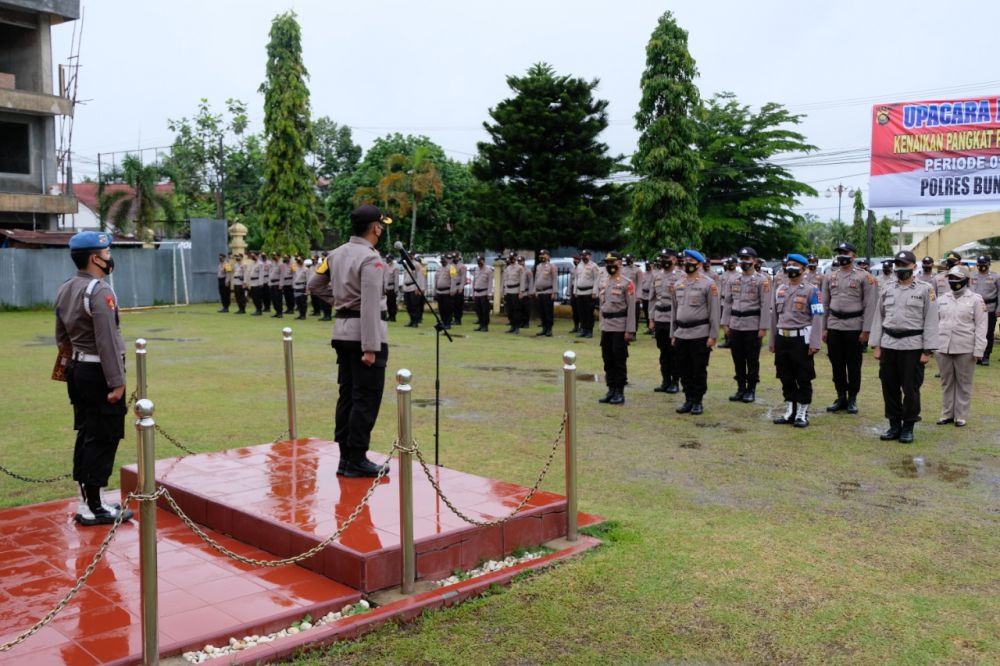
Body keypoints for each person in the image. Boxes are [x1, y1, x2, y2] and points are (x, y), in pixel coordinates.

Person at [55, 231, 134, 526]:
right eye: (107, 253)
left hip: (79, 370)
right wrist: (117, 381)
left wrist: (69, 369)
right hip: (99, 372)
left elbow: (62, 337)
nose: (110, 258)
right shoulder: (99, 290)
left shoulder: (67, 287)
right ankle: (95, 506)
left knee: (87, 433)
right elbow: (107, 341)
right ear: (95, 258)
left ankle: (88, 499)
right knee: (103, 436)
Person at [313, 204, 392, 477]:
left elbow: (314, 285)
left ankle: (346, 458)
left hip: (342, 332)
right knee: (365, 398)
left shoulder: (335, 254)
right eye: (381, 226)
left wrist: (341, 303)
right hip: (365, 337)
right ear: (376, 228)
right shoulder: (371, 259)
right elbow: (370, 305)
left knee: (347, 395)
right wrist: (370, 348)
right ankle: (356, 459)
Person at [870, 250, 939, 444]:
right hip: (889, 344)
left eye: (904, 265)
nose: (900, 268)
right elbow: (879, 317)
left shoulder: (925, 290)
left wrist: (927, 350)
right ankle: (894, 425)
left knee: (911, 389)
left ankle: (908, 426)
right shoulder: (887, 288)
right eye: (897, 265)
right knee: (889, 387)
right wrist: (877, 345)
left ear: (914, 267)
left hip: (913, 346)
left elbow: (931, 320)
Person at [821, 242, 877, 415]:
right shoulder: (830, 276)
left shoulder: (864, 276)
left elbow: (870, 305)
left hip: (854, 326)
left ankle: (852, 398)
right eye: (840, 252)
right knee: (836, 364)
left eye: (845, 252)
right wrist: (824, 328)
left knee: (853, 365)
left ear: (854, 255)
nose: (842, 255)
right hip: (834, 325)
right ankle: (840, 397)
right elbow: (825, 304)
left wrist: (866, 330)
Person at [769, 254, 824, 427]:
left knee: (803, 377)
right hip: (782, 338)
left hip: (801, 340)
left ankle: (802, 412)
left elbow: (817, 317)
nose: (790, 267)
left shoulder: (812, 290)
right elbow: (774, 316)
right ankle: (790, 410)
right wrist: (772, 340)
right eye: (789, 264)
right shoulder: (780, 289)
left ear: (804, 269)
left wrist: (815, 342)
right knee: (785, 376)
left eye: (795, 265)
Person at [936, 266, 987, 427]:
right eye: (950, 278)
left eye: (956, 278)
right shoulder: (942, 299)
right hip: (943, 346)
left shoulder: (976, 300)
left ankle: (961, 415)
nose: (953, 281)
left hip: (965, 347)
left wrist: (979, 349)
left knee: (964, 382)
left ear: (966, 280)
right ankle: (947, 413)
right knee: (946, 381)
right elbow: (935, 322)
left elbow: (981, 326)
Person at [670, 249, 720, 415]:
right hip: (681, 333)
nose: (687, 264)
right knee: (683, 369)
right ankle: (688, 399)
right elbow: (674, 311)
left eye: (691, 261)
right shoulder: (678, 284)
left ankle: (698, 400)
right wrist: (673, 333)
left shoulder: (708, 284)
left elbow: (714, 311)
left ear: (699, 264)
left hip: (700, 333)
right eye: (686, 261)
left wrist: (713, 335)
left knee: (698, 369)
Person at [722, 246, 772, 404]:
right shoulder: (733, 279)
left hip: (752, 325)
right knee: (737, 358)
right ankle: (740, 388)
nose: (744, 262)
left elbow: (765, 305)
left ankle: (751, 389)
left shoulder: (761, 280)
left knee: (752, 359)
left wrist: (763, 327)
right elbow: (728, 302)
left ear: (754, 261)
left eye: (747, 259)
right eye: (742, 259)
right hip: (735, 324)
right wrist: (725, 323)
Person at [596, 252, 636, 404]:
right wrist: (601, 325)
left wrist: (630, 330)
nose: (609, 265)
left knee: (619, 360)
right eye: (607, 263)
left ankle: (619, 391)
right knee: (607, 359)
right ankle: (611, 389)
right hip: (606, 326)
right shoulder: (604, 282)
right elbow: (602, 306)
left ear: (619, 263)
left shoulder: (627, 283)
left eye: (612, 262)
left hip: (620, 326)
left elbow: (632, 308)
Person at [649, 249, 683, 393]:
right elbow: (652, 299)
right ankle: (665, 381)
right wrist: (651, 318)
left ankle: (675, 382)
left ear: (674, 259)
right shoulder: (656, 275)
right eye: (662, 257)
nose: (663, 260)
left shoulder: (681, 276)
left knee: (673, 351)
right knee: (663, 351)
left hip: (672, 318)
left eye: (666, 257)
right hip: (659, 318)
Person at [969, 254, 998, 365]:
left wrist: (998, 309)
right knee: (972, 332)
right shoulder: (972, 276)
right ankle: (975, 355)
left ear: (989, 264)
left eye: (984, 264)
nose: (981, 266)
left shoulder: (996, 277)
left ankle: (986, 356)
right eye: (979, 264)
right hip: (973, 308)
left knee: (988, 333)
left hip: (989, 308)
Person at [574, 249, 600, 338]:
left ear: (590, 256)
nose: (584, 257)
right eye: (582, 255)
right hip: (580, 292)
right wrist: (575, 291)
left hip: (589, 292)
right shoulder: (579, 265)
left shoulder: (594, 266)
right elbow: (576, 278)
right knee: (581, 313)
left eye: (586, 255)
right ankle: (583, 330)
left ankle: (589, 331)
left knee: (589, 312)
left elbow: (597, 279)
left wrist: (594, 292)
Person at [533, 249, 557, 336]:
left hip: (548, 292)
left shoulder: (552, 266)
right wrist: (535, 290)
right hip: (540, 292)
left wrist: (554, 292)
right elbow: (536, 279)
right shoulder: (538, 266)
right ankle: (544, 328)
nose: (542, 256)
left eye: (544, 255)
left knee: (548, 312)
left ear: (548, 256)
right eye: (541, 255)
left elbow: (554, 279)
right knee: (542, 312)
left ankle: (549, 329)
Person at [402, 253, 426, 327]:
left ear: (413, 256)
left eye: (410, 255)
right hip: (407, 287)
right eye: (408, 255)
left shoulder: (417, 264)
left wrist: (418, 288)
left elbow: (420, 276)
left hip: (413, 287)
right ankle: (411, 320)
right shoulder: (407, 264)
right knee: (408, 306)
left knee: (414, 306)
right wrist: (403, 287)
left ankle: (416, 321)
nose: (409, 256)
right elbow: (405, 276)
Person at [502, 253, 524, 333]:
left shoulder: (520, 267)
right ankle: (512, 326)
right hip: (509, 290)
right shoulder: (508, 268)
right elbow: (505, 280)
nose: (512, 259)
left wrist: (521, 291)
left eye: (513, 257)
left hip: (516, 290)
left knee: (516, 310)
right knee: (510, 310)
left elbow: (522, 280)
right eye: (510, 257)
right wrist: (505, 291)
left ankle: (517, 327)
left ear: (516, 258)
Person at [472, 255, 494, 331]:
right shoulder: (476, 269)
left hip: (484, 293)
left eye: (480, 261)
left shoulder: (488, 270)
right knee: (478, 310)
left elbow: (490, 282)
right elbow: (474, 282)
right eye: (478, 262)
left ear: (483, 261)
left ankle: (485, 326)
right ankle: (481, 325)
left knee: (485, 311)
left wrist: (489, 293)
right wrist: (473, 293)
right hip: (477, 293)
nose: (479, 263)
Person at [434, 251, 454, 328]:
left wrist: (452, 290)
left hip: (447, 291)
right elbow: (436, 280)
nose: (442, 261)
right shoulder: (439, 268)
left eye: (444, 259)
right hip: (439, 292)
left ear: (447, 259)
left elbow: (454, 280)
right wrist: (435, 291)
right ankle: (443, 322)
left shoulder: (451, 268)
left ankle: (448, 323)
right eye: (441, 259)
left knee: (447, 308)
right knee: (441, 309)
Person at [518, 255, 534, 329]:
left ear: (524, 262)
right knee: (520, 308)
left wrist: (530, 292)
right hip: (518, 292)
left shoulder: (528, 271)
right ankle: (521, 322)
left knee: (526, 309)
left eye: (521, 261)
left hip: (526, 292)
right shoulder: (517, 270)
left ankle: (526, 323)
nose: (520, 263)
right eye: (519, 261)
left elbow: (531, 282)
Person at [451, 253, 467, 326]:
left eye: (456, 257)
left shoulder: (462, 266)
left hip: (459, 286)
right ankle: (455, 318)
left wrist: (461, 287)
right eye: (453, 257)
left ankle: (458, 319)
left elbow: (463, 278)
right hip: (453, 286)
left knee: (459, 304)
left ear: (458, 257)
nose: (454, 258)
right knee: (453, 304)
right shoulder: (451, 266)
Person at [383, 254, 399, 322]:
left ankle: (393, 316)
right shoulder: (386, 267)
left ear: (392, 259)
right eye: (387, 258)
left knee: (392, 303)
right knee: (387, 303)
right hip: (386, 287)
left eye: (388, 259)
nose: (387, 260)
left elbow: (396, 279)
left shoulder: (395, 267)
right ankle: (389, 316)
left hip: (392, 287)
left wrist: (396, 289)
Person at [568, 254, 582, 333]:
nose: (575, 261)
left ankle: (581, 326)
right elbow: (570, 281)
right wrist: (569, 292)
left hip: (580, 290)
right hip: (573, 290)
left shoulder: (582, 269)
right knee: (574, 310)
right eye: (574, 259)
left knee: (580, 310)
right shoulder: (573, 269)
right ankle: (576, 326)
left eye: (577, 259)